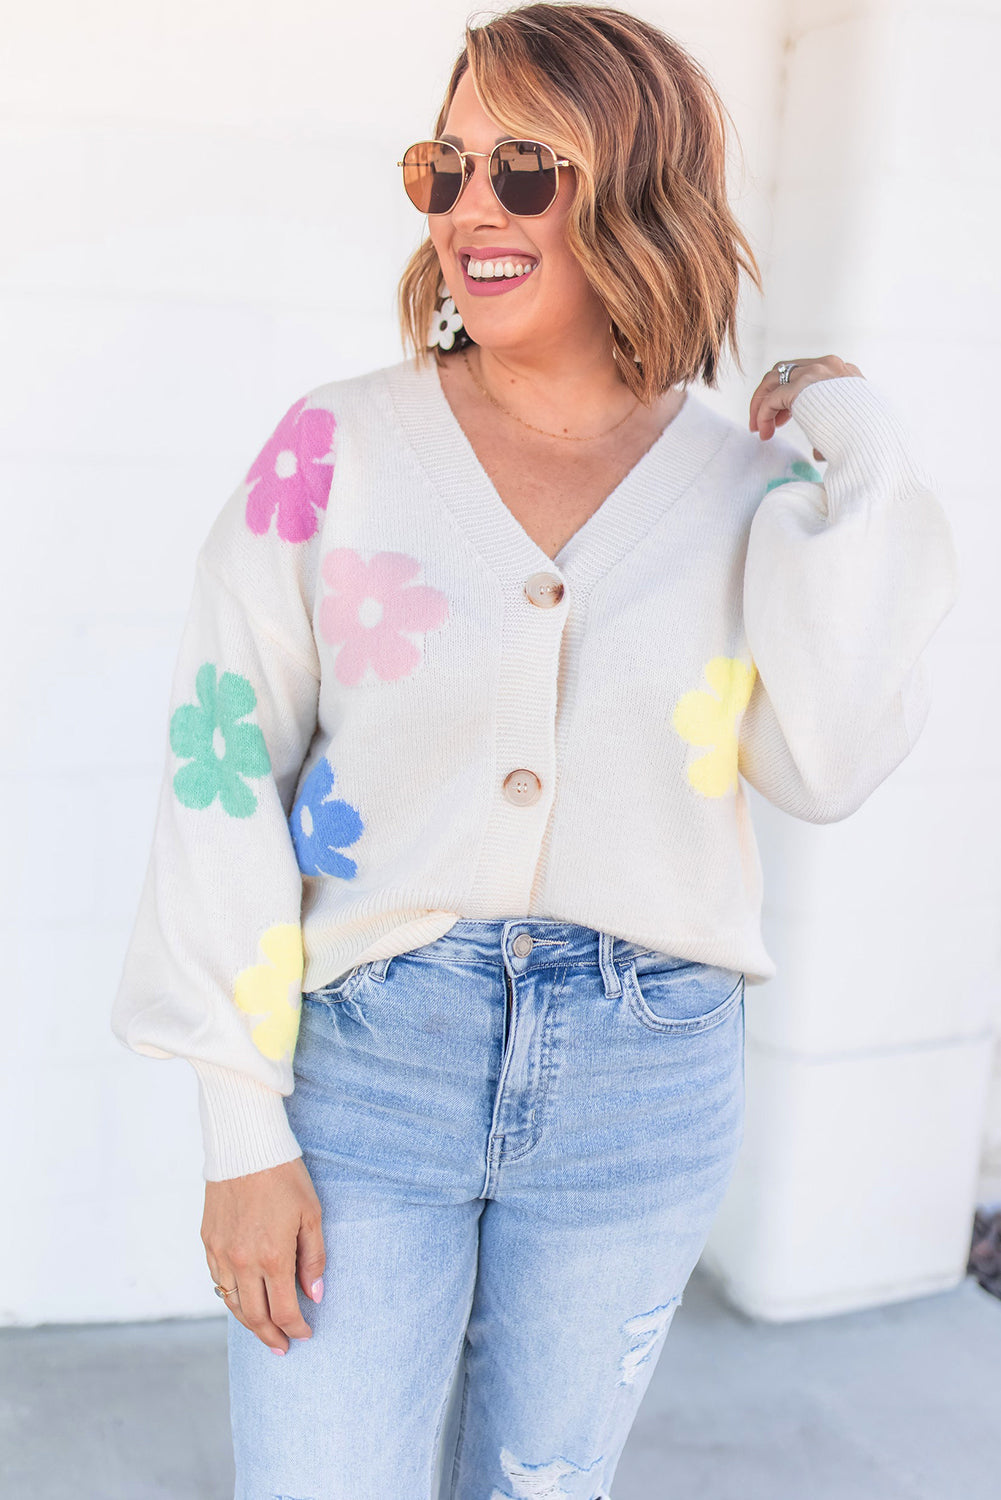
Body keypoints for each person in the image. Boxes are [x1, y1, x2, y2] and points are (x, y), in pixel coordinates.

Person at [110, 5, 960, 1497]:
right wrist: (238, 1128)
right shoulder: (338, 447)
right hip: (369, 1062)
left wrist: (854, 431)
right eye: (444, 168)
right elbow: (221, 775)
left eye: (525, 169)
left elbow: (824, 761)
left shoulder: (747, 488)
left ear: (636, 188)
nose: (469, 212)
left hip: (646, 1079)